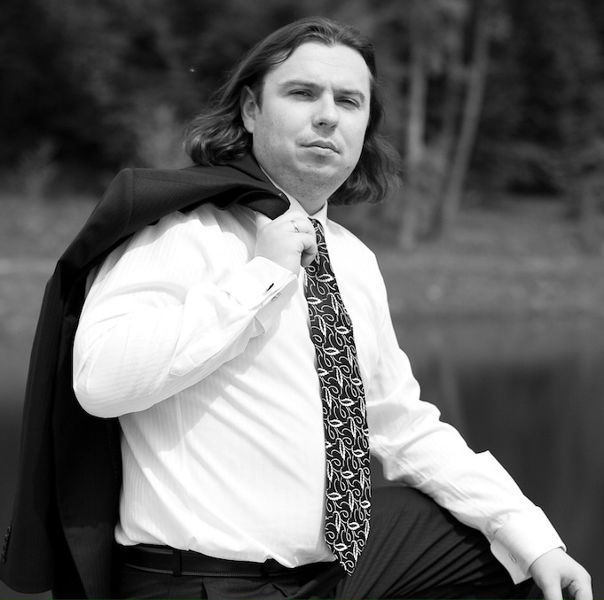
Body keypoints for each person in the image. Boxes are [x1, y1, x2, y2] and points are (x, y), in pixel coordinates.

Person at [0, 16, 592, 600]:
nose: (328, 115)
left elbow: (398, 423)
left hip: (332, 573)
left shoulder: (353, 259)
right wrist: (260, 278)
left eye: (349, 101)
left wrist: (533, 535)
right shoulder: (180, 233)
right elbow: (100, 383)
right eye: (303, 93)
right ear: (250, 110)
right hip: (206, 582)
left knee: (511, 556)